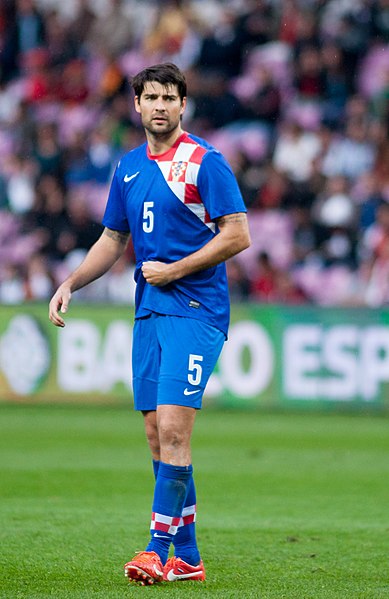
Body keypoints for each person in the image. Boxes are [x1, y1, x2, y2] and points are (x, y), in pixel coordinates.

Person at [48, 62, 250, 585]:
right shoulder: (129, 167)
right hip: (149, 311)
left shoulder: (206, 162)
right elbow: (112, 240)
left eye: (169, 97)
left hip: (197, 310)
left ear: (183, 104)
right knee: (156, 437)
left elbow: (238, 235)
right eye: (151, 97)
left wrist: (176, 270)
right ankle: (189, 557)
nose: (160, 105)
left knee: (174, 428)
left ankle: (157, 549)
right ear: (136, 105)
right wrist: (71, 283)